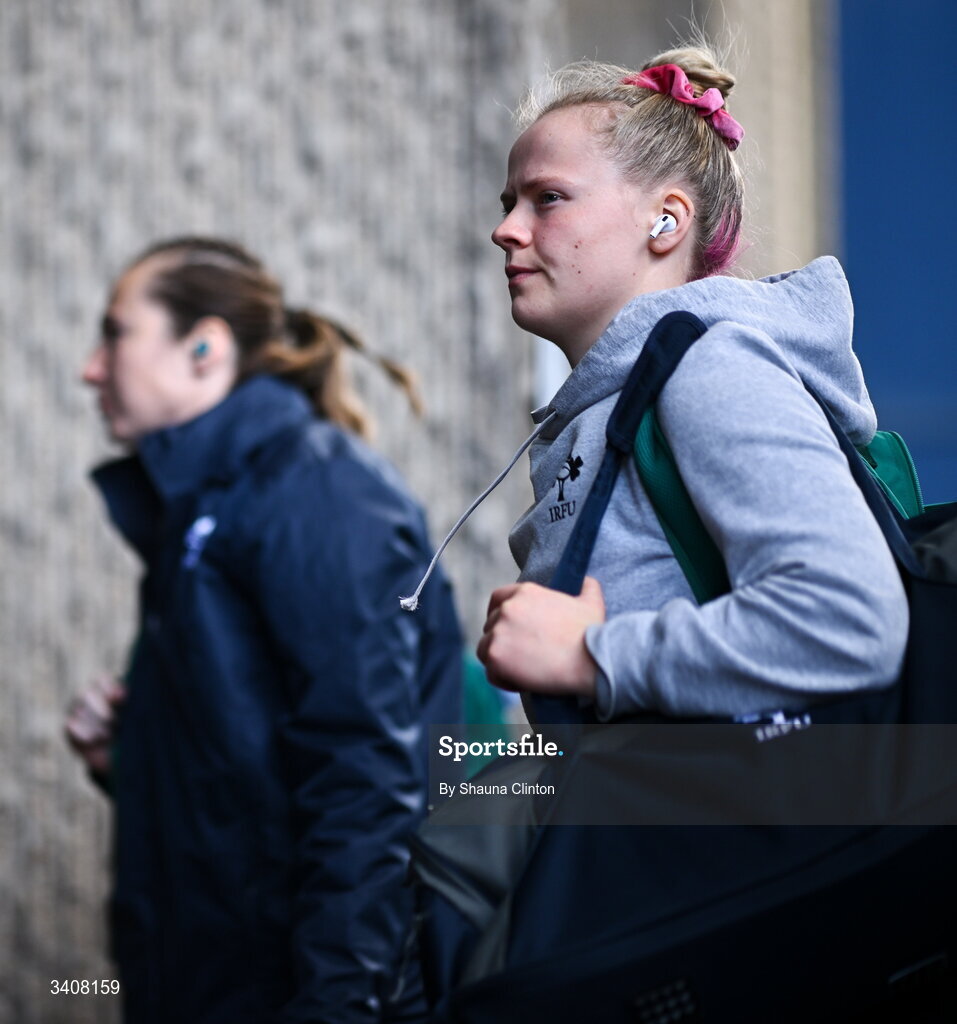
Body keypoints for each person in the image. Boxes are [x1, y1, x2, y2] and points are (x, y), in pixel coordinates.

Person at [65, 236, 462, 1023]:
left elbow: (367, 784)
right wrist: (138, 754)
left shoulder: (314, 493)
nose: (91, 367)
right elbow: (256, 768)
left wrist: (337, 1009)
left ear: (204, 347)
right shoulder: (202, 511)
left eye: (115, 333)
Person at [463, 45, 907, 722]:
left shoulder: (709, 367)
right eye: (508, 203)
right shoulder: (613, 405)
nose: (505, 230)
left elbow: (849, 619)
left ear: (665, 220)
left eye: (546, 199)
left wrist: (589, 655)